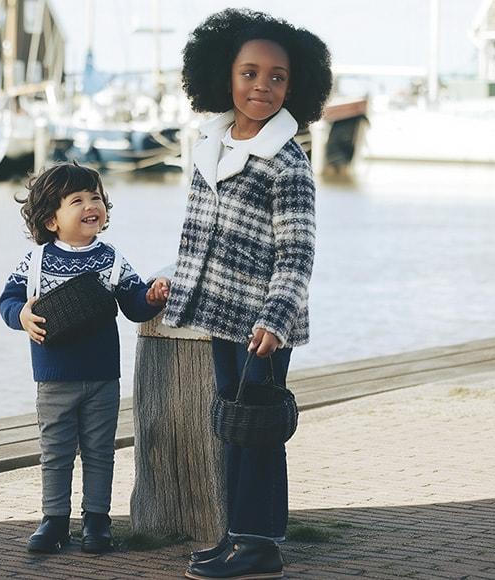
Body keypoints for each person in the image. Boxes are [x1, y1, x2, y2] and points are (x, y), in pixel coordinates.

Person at [162, 8, 332, 580]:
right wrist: (174, 284)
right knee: (231, 425)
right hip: (219, 313)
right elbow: (197, 232)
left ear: (295, 84)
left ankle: (260, 546)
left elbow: (298, 252)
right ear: (223, 75)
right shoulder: (210, 142)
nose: (262, 86)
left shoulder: (288, 162)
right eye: (249, 72)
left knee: (258, 431)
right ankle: (235, 536)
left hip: (262, 324)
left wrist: (277, 319)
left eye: (277, 76)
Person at [0, 162, 171, 554]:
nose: (91, 204)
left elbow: (133, 304)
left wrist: (153, 296)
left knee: (99, 452)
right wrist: (21, 315)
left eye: (95, 197)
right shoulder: (36, 262)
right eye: (76, 200)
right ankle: (55, 522)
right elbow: (7, 301)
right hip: (54, 378)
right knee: (55, 454)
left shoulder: (111, 259)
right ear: (51, 219)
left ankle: (97, 523)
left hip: (102, 377)